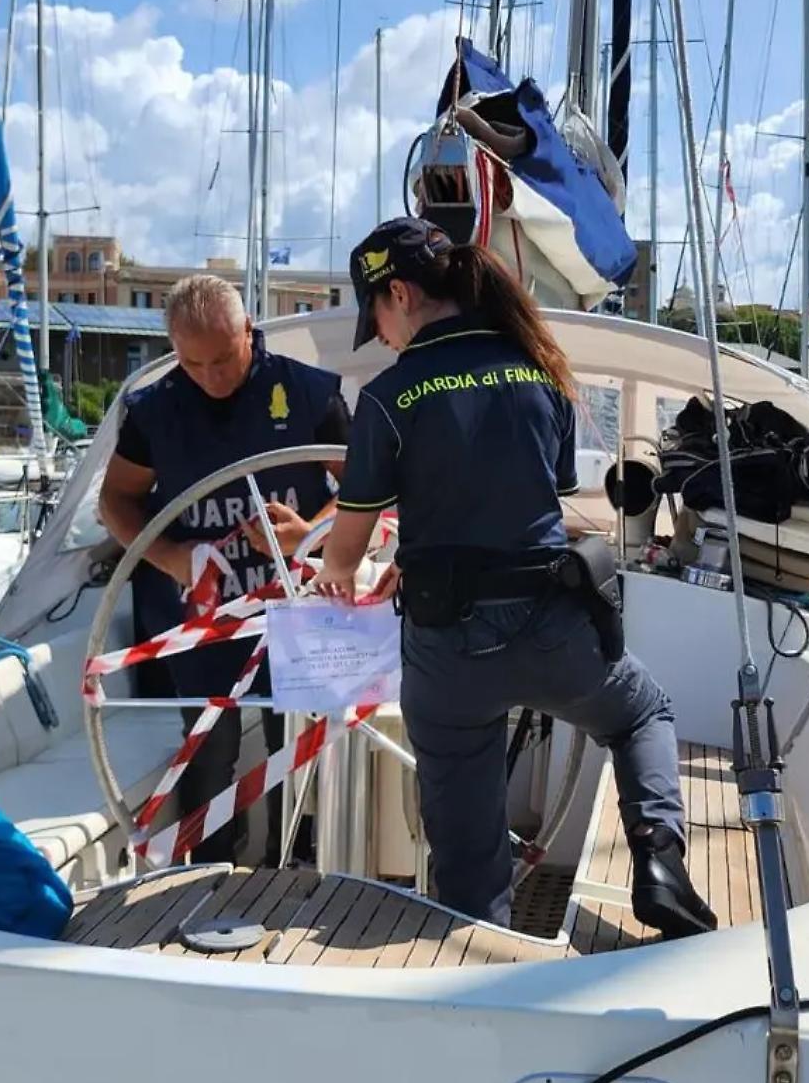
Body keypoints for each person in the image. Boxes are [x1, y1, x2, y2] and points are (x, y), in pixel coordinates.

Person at [316, 218, 715, 938]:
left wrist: (340, 574)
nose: (382, 338)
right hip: (554, 630)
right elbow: (528, 499)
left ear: (399, 294)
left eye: (376, 318)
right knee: (641, 715)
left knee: (467, 861)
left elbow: (344, 554)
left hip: (449, 657)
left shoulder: (388, 395)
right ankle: (660, 863)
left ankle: (481, 945)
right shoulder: (541, 371)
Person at [99, 273, 349, 865]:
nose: (211, 376)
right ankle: (211, 872)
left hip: (297, 607)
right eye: (193, 363)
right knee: (209, 754)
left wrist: (310, 532)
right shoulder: (152, 412)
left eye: (223, 359)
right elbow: (115, 501)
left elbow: (368, 488)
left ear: (249, 332)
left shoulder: (310, 394)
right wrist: (171, 557)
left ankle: (299, 867)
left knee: (302, 748)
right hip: (204, 615)